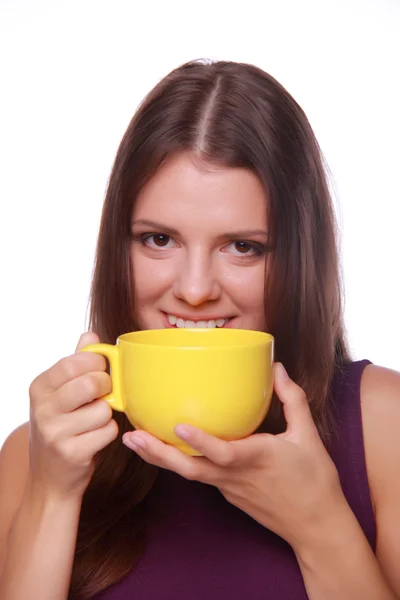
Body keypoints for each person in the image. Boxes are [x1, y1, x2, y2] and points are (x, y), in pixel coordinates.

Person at [0, 59, 399, 600]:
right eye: (158, 239)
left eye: (243, 247)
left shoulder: (383, 426)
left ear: (300, 261)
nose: (193, 289)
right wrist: (52, 494)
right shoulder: (39, 453)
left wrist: (320, 527)